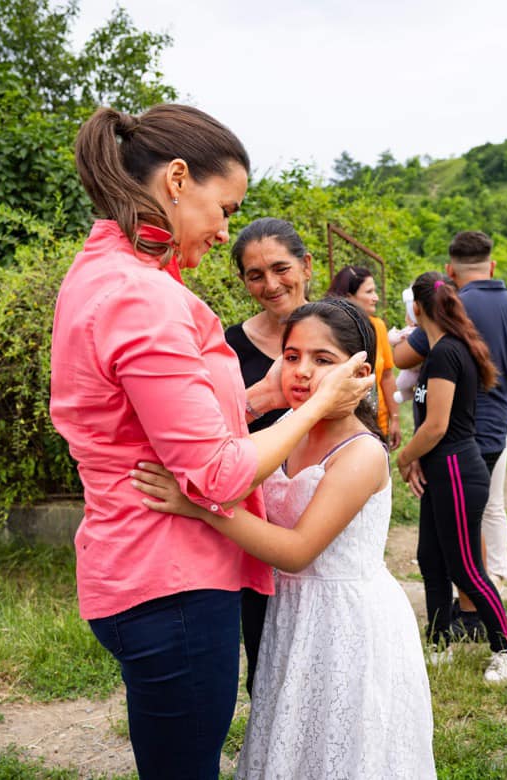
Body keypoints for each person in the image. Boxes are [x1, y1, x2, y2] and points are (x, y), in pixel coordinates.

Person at [48, 103, 372, 779]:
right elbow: (220, 474)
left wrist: (270, 398)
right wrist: (314, 409)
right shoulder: (142, 298)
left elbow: (177, 418)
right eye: (225, 208)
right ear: (175, 180)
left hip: (136, 567)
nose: (226, 229)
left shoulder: (102, 276)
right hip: (173, 583)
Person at [132, 298, 436, 779]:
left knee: (342, 745)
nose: (302, 371)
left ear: (359, 371)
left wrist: (201, 507)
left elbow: (296, 552)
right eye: (292, 356)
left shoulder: (361, 454)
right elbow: (225, 464)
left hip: (348, 620)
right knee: (293, 737)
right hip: (291, 615)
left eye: (323, 360)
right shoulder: (283, 430)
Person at [394, 230, 507, 639]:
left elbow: (401, 358)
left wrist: (404, 455)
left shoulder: (448, 327)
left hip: (455, 437)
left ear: (450, 272)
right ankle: (461, 620)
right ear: (493, 263)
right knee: (474, 524)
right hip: (491, 428)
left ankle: (482, 622)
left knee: (463, 547)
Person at [226, 217, 314, 696]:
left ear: (305, 264)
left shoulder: (341, 330)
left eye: (281, 268)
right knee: (266, 652)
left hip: (324, 504)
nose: (271, 284)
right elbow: (210, 436)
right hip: (254, 518)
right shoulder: (225, 347)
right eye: (255, 275)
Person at [328, 265, 402, 450]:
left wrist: (395, 418)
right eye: (369, 292)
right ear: (348, 296)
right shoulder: (329, 330)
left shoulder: (378, 326)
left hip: (377, 424)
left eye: (375, 291)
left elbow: (386, 376)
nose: (375, 297)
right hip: (339, 428)